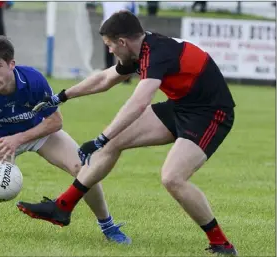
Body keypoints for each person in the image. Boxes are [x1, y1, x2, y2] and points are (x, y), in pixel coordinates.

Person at [17, 11, 238, 255]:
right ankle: (63, 207)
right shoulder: (139, 50)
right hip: (181, 105)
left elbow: (139, 102)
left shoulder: (157, 53)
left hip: (210, 114)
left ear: (122, 42)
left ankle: (222, 244)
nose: (110, 51)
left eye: (110, 45)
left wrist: (101, 138)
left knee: (172, 178)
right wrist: (62, 96)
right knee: (113, 144)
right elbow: (104, 79)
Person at [0, 35, 131, 245]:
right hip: (1, 142)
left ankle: (108, 226)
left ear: (11, 64)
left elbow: (55, 122)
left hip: (40, 132)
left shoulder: (33, 80)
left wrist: (18, 139)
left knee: (84, 167)